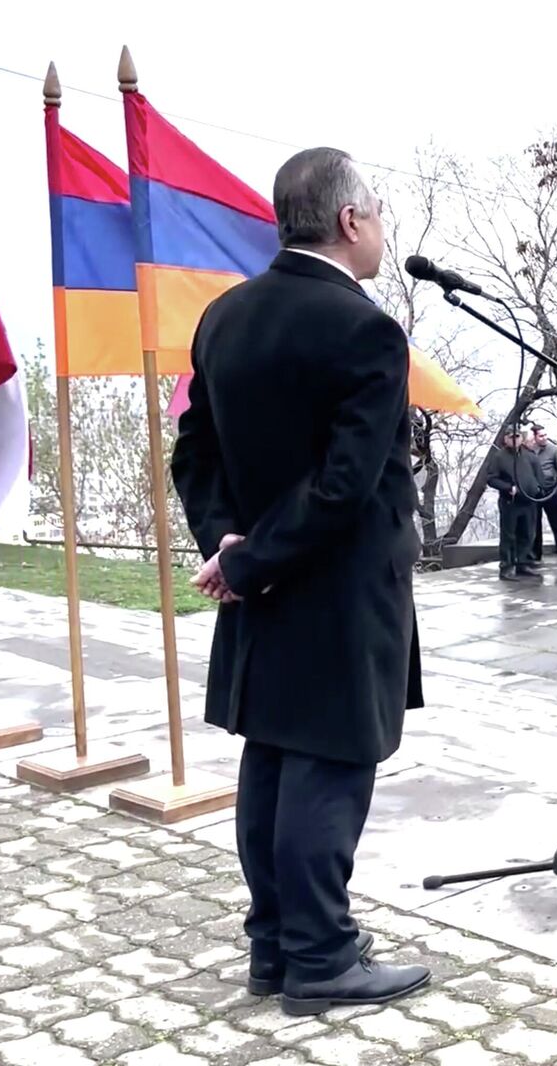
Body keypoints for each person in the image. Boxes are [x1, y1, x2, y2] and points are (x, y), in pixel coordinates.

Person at [171, 147, 429, 1014]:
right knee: (328, 764)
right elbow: (346, 486)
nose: (383, 230)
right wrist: (245, 558)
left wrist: (229, 543)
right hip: (336, 590)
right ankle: (321, 959)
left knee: (273, 762)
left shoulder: (224, 319)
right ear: (351, 220)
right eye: (379, 214)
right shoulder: (366, 330)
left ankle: (275, 947)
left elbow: (193, 453)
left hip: (260, 583)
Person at [487, 429, 538, 579]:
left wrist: (538, 488)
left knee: (527, 534)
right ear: (506, 439)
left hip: (529, 501)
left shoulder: (529, 456)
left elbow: (537, 475)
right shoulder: (499, 457)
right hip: (510, 502)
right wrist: (508, 488)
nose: (515, 440)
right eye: (512, 437)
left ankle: (523, 562)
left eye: (517, 437)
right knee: (509, 535)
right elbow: (492, 478)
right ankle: (507, 566)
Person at [525, 423, 557, 560]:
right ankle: (535, 553)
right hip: (535, 492)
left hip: (551, 491)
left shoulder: (554, 450)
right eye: (541, 436)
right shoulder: (530, 450)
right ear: (535, 437)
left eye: (545, 435)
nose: (544, 438)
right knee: (535, 523)